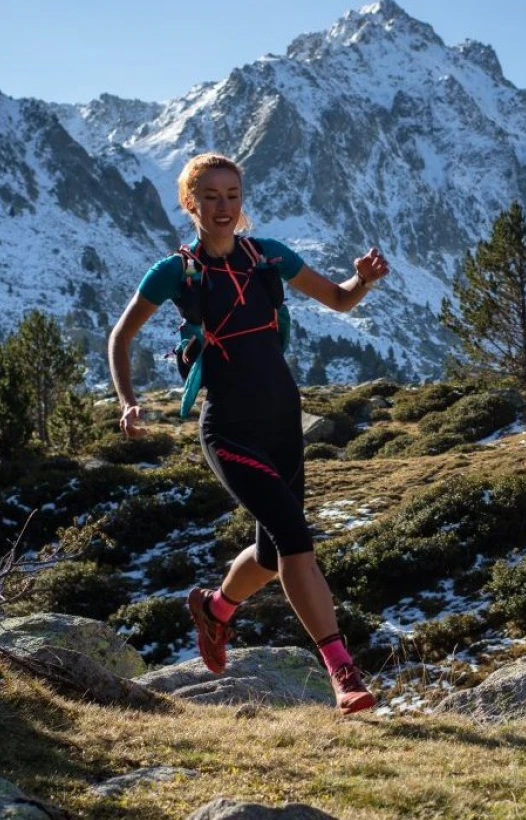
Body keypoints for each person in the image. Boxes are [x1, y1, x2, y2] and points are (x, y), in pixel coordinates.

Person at [107, 152, 389, 715]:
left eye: (232, 195)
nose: (223, 206)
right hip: (230, 430)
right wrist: (129, 401)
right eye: (210, 196)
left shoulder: (268, 258)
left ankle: (214, 610)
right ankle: (342, 672)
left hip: (284, 421)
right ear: (191, 204)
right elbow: (121, 336)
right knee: (296, 538)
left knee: (268, 553)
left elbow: (338, 298)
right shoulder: (175, 272)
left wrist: (362, 278)